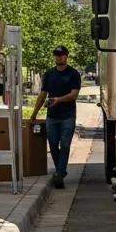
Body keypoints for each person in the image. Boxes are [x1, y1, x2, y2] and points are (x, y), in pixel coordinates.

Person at [31, 46, 82, 188]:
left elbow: (74, 94)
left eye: (61, 55)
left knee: (65, 145)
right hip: (52, 117)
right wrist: (34, 113)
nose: (59, 57)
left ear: (66, 56)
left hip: (68, 115)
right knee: (53, 145)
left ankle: (59, 174)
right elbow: (42, 95)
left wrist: (58, 100)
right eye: (56, 55)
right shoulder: (49, 74)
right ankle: (61, 171)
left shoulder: (73, 74)